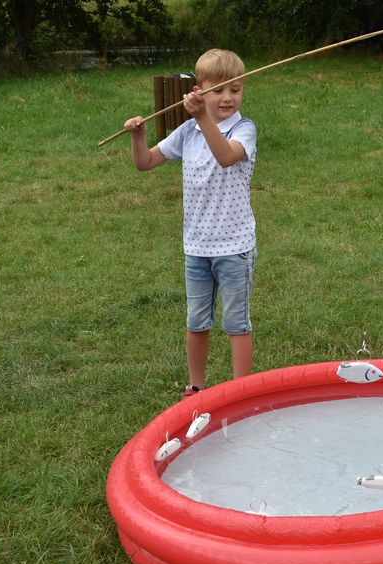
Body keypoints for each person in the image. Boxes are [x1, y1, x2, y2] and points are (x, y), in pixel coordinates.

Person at [124, 49, 258, 395]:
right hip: (197, 247)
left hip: (234, 247)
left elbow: (226, 156)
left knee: (236, 323)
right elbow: (145, 162)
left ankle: (240, 393)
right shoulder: (188, 131)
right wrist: (139, 137)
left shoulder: (244, 129)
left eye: (236, 89)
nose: (227, 97)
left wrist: (202, 118)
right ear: (199, 91)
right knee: (197, 321)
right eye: (218, 90)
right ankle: (196, 388)